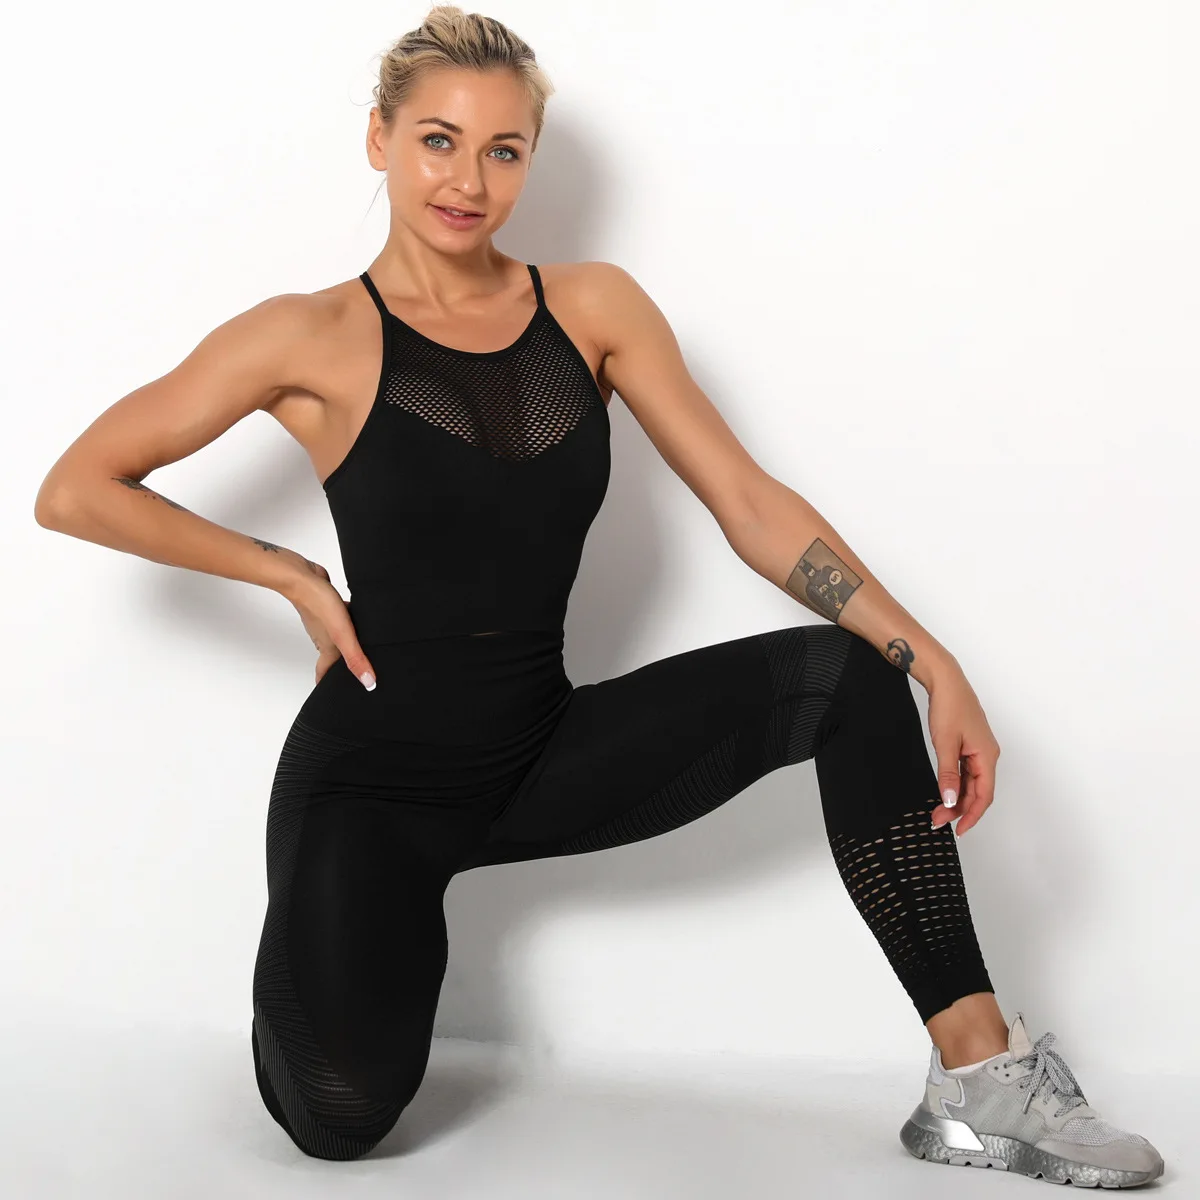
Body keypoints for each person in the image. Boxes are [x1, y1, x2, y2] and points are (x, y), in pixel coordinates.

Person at [33, 4, 1164, 1185]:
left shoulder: (594, 309)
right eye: (436, 141)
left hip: (541, 748)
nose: (468, 180)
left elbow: (750, 504)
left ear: (529, 158)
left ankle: (978, 1078)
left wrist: (932, 660)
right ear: (378, 139)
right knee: (340, 1119)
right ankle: (338, 956)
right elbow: (77, 489)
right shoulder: (305, 336)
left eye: (503, 150)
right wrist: (290, 573)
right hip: (373, 784)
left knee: (853, 678)